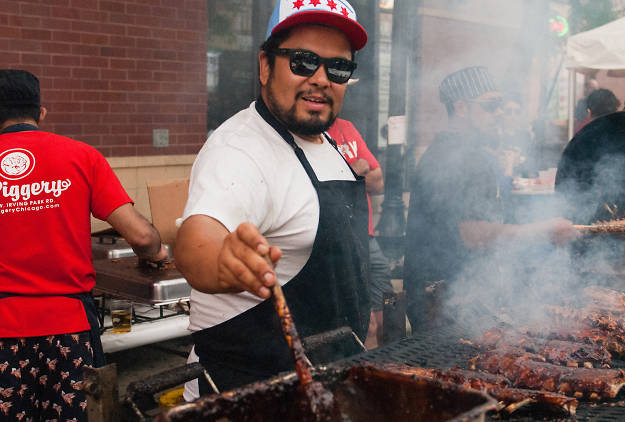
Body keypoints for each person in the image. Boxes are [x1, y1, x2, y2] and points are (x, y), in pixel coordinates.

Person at [175, 0, 370, 398]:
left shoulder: (328, 140)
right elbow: (200, 237)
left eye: (338, 68)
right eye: (302, 61)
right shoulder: (240, 149)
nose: (320, 79)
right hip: (248, 393)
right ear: (265, 66)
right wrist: (221, 260)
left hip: (322, 379)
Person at [0, 69, 167, 421]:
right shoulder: (81, 156)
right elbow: (140, 236)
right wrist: (157, 254)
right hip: (69, 329)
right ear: (41, 113)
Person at [403, 66, 578, 332]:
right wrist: (543, 231)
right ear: (461, 108)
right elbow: (473, 234)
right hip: (446, 300)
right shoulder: (455, 158)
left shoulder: (464, 153)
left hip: (457, 294)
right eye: (491, 105)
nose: (499, 113)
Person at [327, 118, 393, 349]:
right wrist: (356, 168)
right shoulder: (308, 133)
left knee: (389, 305)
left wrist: (347, 176)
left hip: (366, 234)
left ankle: (394, 362)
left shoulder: (347, 127)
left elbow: (378, 182)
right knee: (366, 321)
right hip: (339, 237)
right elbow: (324, 189)